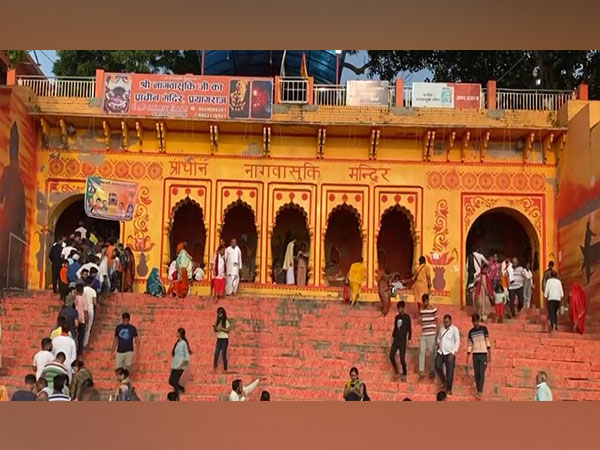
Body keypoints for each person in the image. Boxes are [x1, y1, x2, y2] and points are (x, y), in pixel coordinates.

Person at [467, 314, 492, 399]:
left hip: (483, 353)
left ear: (479, 321)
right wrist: (468, 354)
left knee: (481, 373)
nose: (475, 323)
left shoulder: (484, 329)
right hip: (475, 354)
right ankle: (478, 391)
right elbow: (470, 344)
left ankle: (480, 391)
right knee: (477, 373)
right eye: (474, 322)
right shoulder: (471, 332)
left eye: (476, 321)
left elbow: (487, 341)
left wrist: (489, 353)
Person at [435, 314, 460, 395]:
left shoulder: (454, 329)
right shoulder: (441, 328)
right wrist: (438, 343)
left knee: (450, 372)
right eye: (445, 322)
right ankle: (443, 381)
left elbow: (457, 341)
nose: (446, 324)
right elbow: (439, 338)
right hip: (441, 351)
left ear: (451, 321)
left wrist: (453, 352)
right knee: (437, 365)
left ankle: (449, 389)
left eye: (447, 322)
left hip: (449, 353)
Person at [390, 301, 412, 381]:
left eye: (400, 308)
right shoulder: (397, 317)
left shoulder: (407, 317)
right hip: (396, 340)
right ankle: (396, 370)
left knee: (402, 358)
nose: (399, 310)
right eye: (398, 309)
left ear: (403, 308)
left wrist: (409, 339)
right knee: (391, 355)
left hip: (403, 341)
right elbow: (395, 328)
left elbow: (409, 329)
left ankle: (404, 373)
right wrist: (392, 337)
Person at [418, 294, 438, 380]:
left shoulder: (433, 309)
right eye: (424, 301)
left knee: (432, 352)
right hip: (424, 334)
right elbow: (420, 320)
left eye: (427, 301)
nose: (426, 303)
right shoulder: (421, 310)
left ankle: (432, 370)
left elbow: (437, 320)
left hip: (432, 333)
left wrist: (435, 330)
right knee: (421, 351)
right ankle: (421, 370)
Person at [169, 327, 191, 401]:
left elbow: (187, 356)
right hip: (175, 365)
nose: (176, 333)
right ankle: (181, 388)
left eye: (177, 332)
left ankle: (177, 397)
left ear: (180, 333)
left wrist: (181, 365)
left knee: (175, 381)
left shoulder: (184, 343)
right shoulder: (178, 342)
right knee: (171, 381)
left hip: (180, 366)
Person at [213, 307, 231, 373]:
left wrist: (221, 329)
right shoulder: (217, 321)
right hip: (219, 338)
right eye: (218, 314)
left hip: (224, 339)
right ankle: (215, 367)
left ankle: (225, 369)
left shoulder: (226, 321)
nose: (219, 315)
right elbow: (216, 330)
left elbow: (228, 330)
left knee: (223, 354)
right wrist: (216, 328)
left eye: (220, 313)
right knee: (216, 353)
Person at [74, 283, 88, 356]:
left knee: (74, 336)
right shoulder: (84, 299)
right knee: (80, 338)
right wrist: (87, 322)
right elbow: (86, 312)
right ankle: (79, 354)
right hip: (82, 320)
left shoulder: (74, 298)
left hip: (74, 320)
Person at [83, 277, 97, 348]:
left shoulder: (83, 289)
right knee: (88, 326)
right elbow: (94, 303)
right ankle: (85, 343)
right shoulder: (93, 291)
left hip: (82, 308)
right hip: (90, 309)